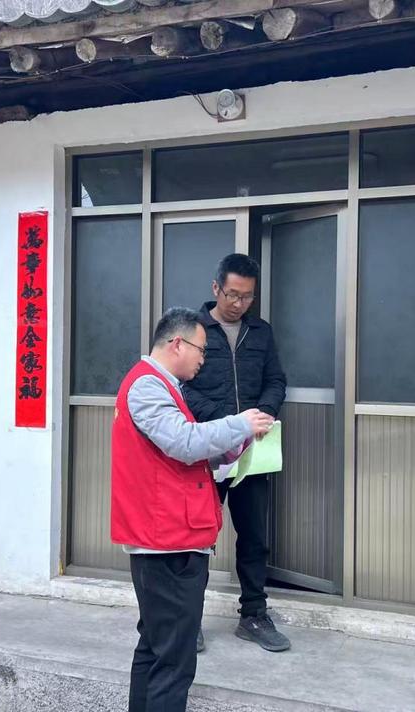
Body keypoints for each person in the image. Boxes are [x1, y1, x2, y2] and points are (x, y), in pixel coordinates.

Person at [111, 306, 275, 712]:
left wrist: (231, 447)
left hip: (167, 538)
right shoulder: (147, 386)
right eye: (202, 350)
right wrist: (240, 423)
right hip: (166, 543)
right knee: (174, 660)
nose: (204, 359)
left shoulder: (163, 387)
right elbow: (183, 443)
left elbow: (183, 451)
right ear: (177, 344)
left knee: (156, 648)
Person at [183, 253, 290, 653]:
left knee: (254, 536)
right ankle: (188, 620)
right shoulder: (192, 330)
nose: (239, 303)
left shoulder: (260, 332)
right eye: (232, 294)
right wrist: (228, 423)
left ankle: (254, 615)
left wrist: (263, 414)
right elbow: (180, 387)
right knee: (197, 538)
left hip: (252, 454)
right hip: (206, 452)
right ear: (216, 288)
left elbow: (276, 380)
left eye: (247, 297)